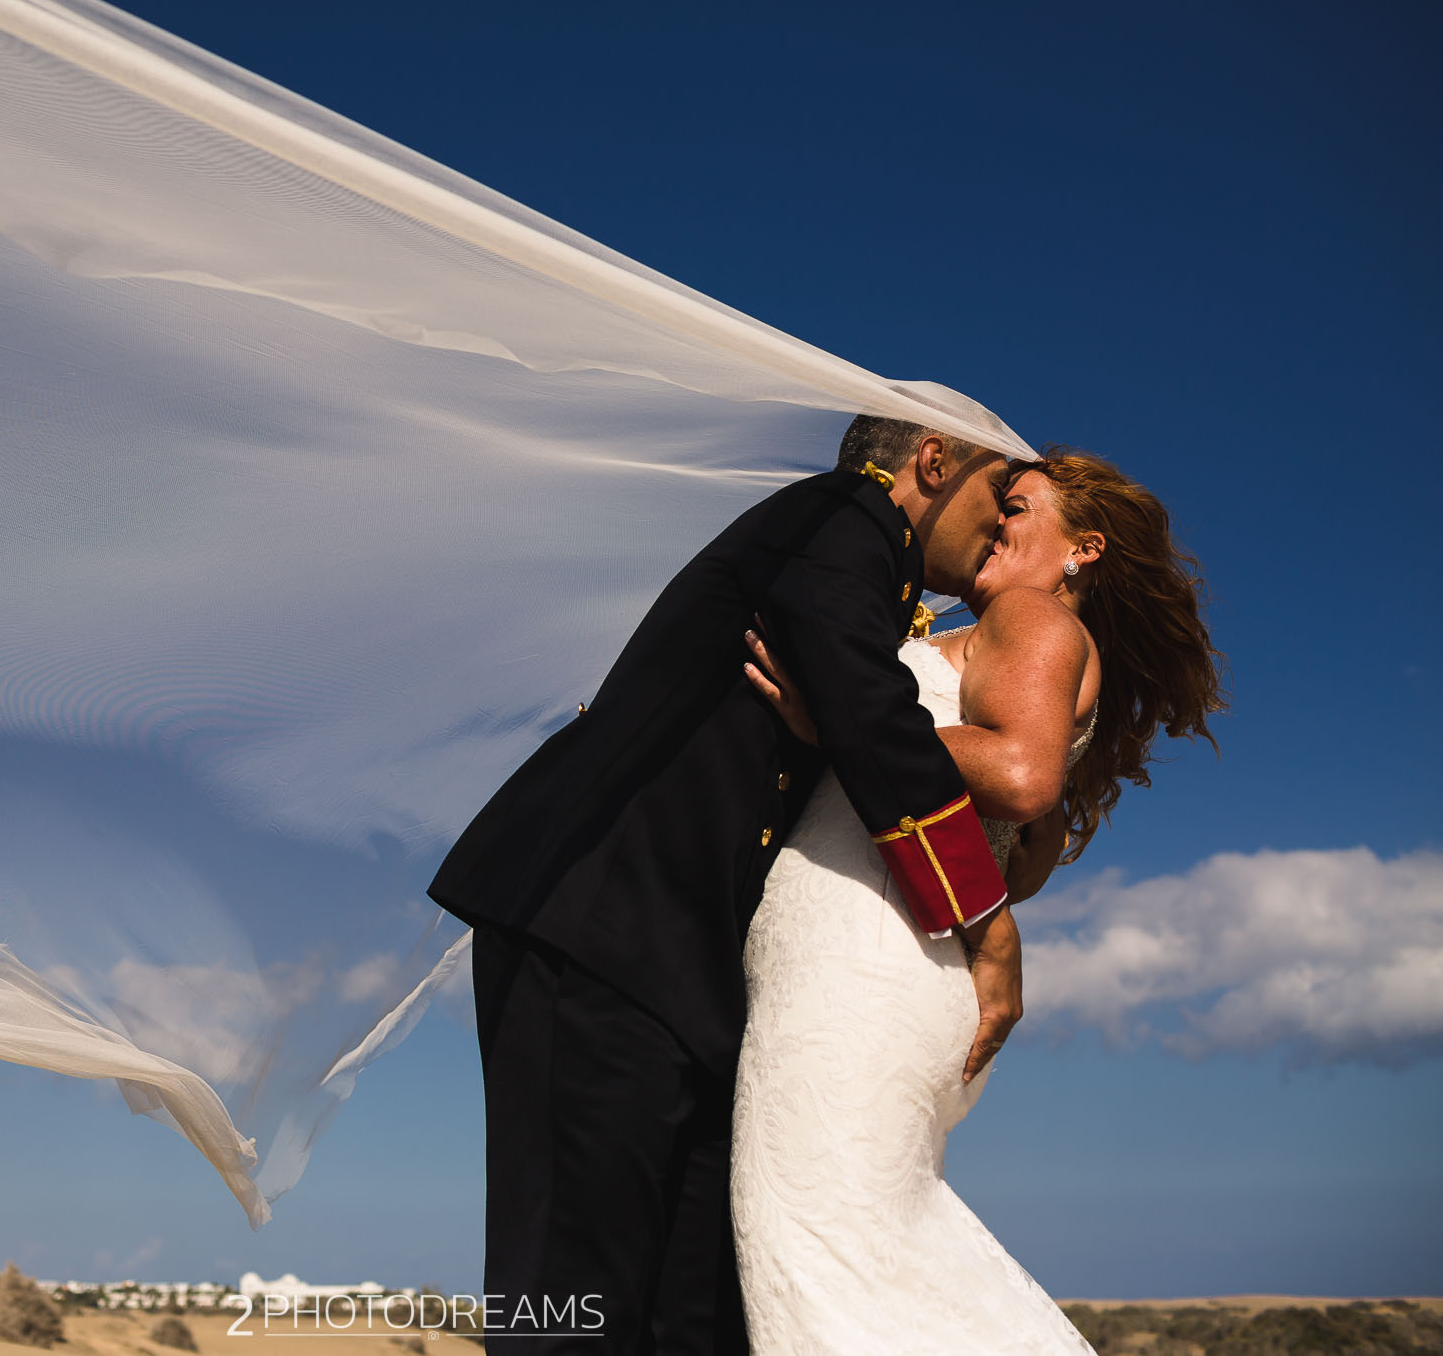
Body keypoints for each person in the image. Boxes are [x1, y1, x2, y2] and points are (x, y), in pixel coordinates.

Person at [427, 409, 1026, 1353]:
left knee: (698, 1323)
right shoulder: (844, 516)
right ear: (933, 458)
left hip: (694, 983)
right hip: (597, 932)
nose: (1000, 522)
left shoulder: (868, 564)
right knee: (572, 1303)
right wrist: (986, 925)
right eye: (999, 491)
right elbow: (869, 709)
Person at [733, 445, 1225, 1354]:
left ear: (1083, 549)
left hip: (865, 961)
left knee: (820, 1244)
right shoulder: (1027, 638)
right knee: (844, 1246)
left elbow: (1023, 775)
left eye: (1018, 508)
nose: (995, 522)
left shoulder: (1031, 616)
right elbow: (1023, 865)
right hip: (884, 956)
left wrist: (842, 718)